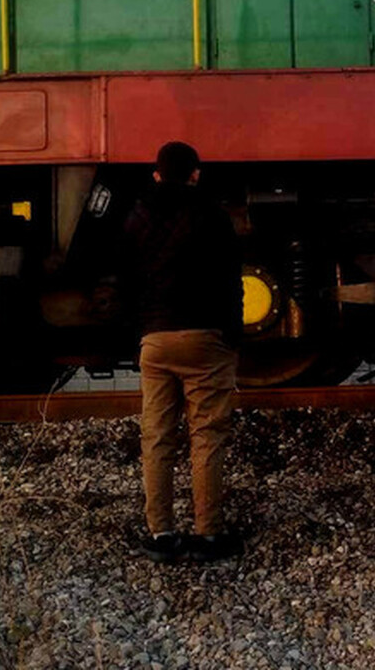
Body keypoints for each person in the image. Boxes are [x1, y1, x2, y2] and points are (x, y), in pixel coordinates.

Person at [126, 141, 245, 564]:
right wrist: (233, 334)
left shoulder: (137, 217)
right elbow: (233, 280)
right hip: (205, 336)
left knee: (157, 437)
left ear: (156, 174)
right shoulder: (212, 215)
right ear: (196, 174)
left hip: (155, 340)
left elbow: (128, 280)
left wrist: (140, 333)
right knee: (206, 436)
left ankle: (161, 533)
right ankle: (208, 534)